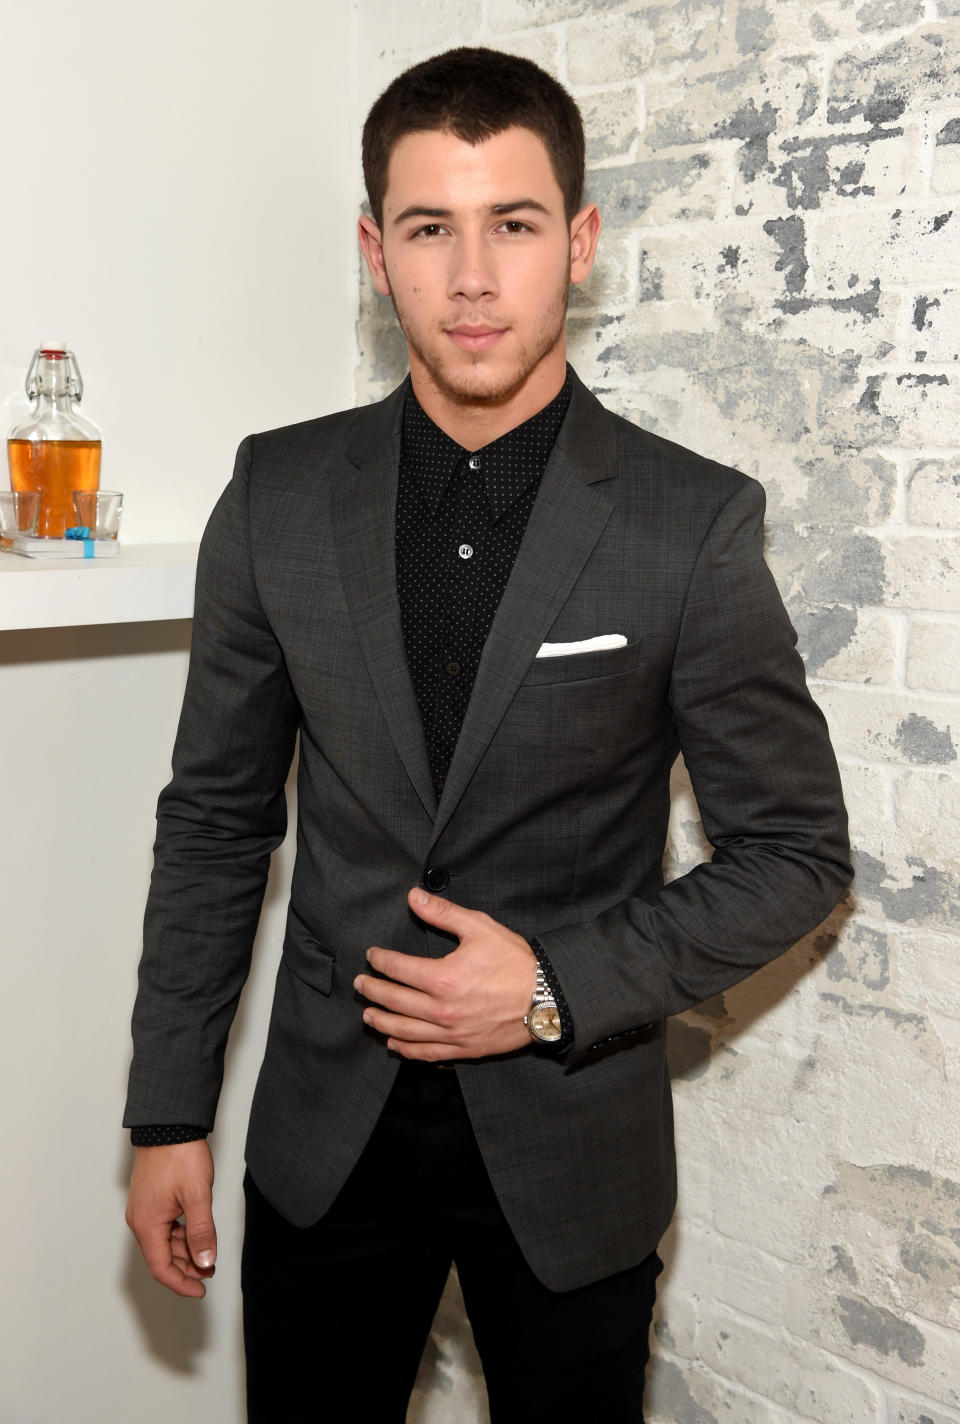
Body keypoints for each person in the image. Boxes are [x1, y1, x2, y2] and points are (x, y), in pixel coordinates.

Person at [124, 46, 852, 1422]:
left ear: (578, 244)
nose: (471, 277)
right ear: (373, 251)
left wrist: (548, 986)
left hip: (574, 1151)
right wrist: (169, 1112)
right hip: (321, 1145)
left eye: (512, 225)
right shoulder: (275, 493)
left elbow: (798, 853)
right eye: (428, 228)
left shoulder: (687, 525)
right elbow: (217, 817)